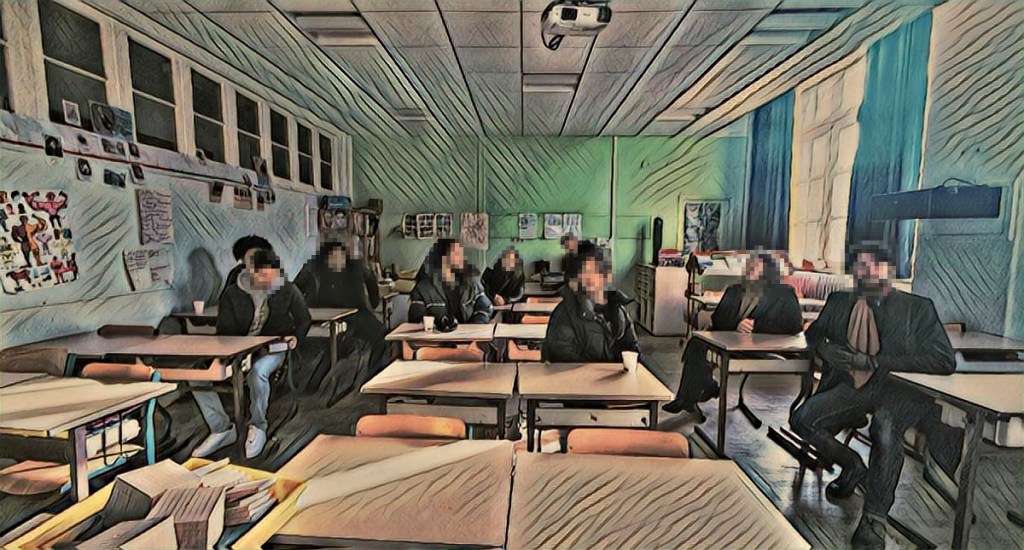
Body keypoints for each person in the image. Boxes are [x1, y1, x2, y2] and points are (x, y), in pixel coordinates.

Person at [788, 242, 962, 548]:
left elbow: (943, 361)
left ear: (890, 271)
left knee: (885, 426)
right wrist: (825, 350)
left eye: (874, 266)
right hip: (854, 388)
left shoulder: (916, 308)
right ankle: (852, 464)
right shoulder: (840, 301)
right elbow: (811, 337)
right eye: (860, 266)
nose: (866, 273)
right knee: (803, 418)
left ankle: (874, 518)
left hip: (899, 391)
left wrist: (878, 362)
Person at [192, 249, 311, 459]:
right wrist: (235, 354)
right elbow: (225, 333)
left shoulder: (286, 289)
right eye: (263, 276)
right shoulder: (232, 294)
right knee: (197, 375)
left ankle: (258, 425)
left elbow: (304, 319)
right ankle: (221, 428)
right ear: (251, 272)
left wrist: (295, 338)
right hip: (237, 348)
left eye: (272, 276)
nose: (269, 281)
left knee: (258, 372)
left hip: (272, 347)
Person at [663, 252, 804, 414]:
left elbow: (794, 325)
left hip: (759, 347)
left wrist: (757, 326)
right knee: (696, 343)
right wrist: (736, 324)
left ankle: (707, 388)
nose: (750, 268)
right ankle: (688, 397)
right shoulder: (734, 290)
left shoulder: (784, 293)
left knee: (703, 350)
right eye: (749, 265)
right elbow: (717, 318)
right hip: (729, 341)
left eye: (755, 266)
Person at [295, 240, 389, 393]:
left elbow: (371, 280)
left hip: (359, 315)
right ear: (326, 259)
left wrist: (373, 303)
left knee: (382, 337)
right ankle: (315, 385)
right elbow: (297, 290)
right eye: (333, 257)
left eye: (341, 256)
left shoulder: (355, 269)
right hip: (332, 318)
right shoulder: (315, 271)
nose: (338, 260)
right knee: (335, 348)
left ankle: (373, 376)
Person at [542, 242, 639, 363]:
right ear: (577, 277)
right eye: (591, 270)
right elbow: (562, 359)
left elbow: (631, 348)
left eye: (602, 267)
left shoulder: (618, 308)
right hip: (580, 375)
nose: (600, 275)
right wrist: (603, 371)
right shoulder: (565, 314)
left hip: (614, 374)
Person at [409, 239, 493, 325]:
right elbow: (416, 318)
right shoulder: (424, 288)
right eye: (456, 253)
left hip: (471, 331)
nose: (461, 257)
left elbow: (485, 308)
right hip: (439, 333)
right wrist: (440, 323)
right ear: (443, 257)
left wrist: (476, 324)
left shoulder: (471, 281)